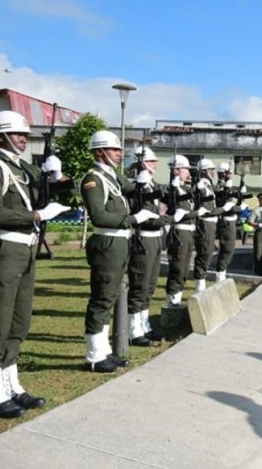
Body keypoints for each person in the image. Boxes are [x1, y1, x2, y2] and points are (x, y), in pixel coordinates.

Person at [0, 110, 69, 418]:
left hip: (26, 251)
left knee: (19, 322)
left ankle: (11, 385)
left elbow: (55, 192)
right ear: (0, 135)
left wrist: (56, 176)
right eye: (17, 134)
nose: (22, 139)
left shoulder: (22, 167)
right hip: (4, 248)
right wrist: (37, 217)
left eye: (25, 135)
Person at [81, 130, 159, 373]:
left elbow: (135, 190)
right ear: (99, 152)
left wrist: (144, 181)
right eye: (114, 150)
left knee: (111, 296)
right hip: (107, 243)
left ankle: (104, 351)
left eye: (119, 150)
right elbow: (100, 215)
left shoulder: (113, 177)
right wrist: (133, 219)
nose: (119, 154)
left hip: (120, 243)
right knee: (102, 298)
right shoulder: (93, 179)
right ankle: (94, 355)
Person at [126, 146, 170, 346]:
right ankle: (133, 329)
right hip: (143, 238)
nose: (156, 165)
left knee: (150, 285)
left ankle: (145, 325)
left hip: (155, 239)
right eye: (152, 161)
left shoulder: (151, 185)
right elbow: (144, 217)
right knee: (139, 284)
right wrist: (165, 220)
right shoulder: (137, 186)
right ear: (142, 162)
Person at [165, 155, 204, 307]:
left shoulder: (184, 188)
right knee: (178, 266)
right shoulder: (173, 189)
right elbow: (176, 210)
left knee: (185, 266)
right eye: (185, 169)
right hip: (179, 231)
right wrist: (196, 213)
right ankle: (172, 299)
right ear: (176, 170)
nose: (188, 172)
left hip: (189, 231)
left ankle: (178, 297)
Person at [192, 159, 232, 292]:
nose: (213, 172)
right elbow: (208, 209)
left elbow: (215, 191)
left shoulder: (208, 185)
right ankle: (200, 287)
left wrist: (224, 183)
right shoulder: (201, 186)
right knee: (205, 254)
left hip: (211, 223)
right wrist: (224, 209)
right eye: (211, 170)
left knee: (208, 254)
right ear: (203, 171)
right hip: (205, 223)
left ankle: (202, 284)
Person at [213, 162, 241, 284]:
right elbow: (223, 205)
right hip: (225, 222)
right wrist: (234, 208)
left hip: (231, 221)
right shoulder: (219, 188)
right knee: (227, 249)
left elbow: (234, 205)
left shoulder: (228, 187)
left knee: (228, 249)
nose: (229, 175)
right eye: (227, 173)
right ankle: (220, 275)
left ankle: (221, 273)